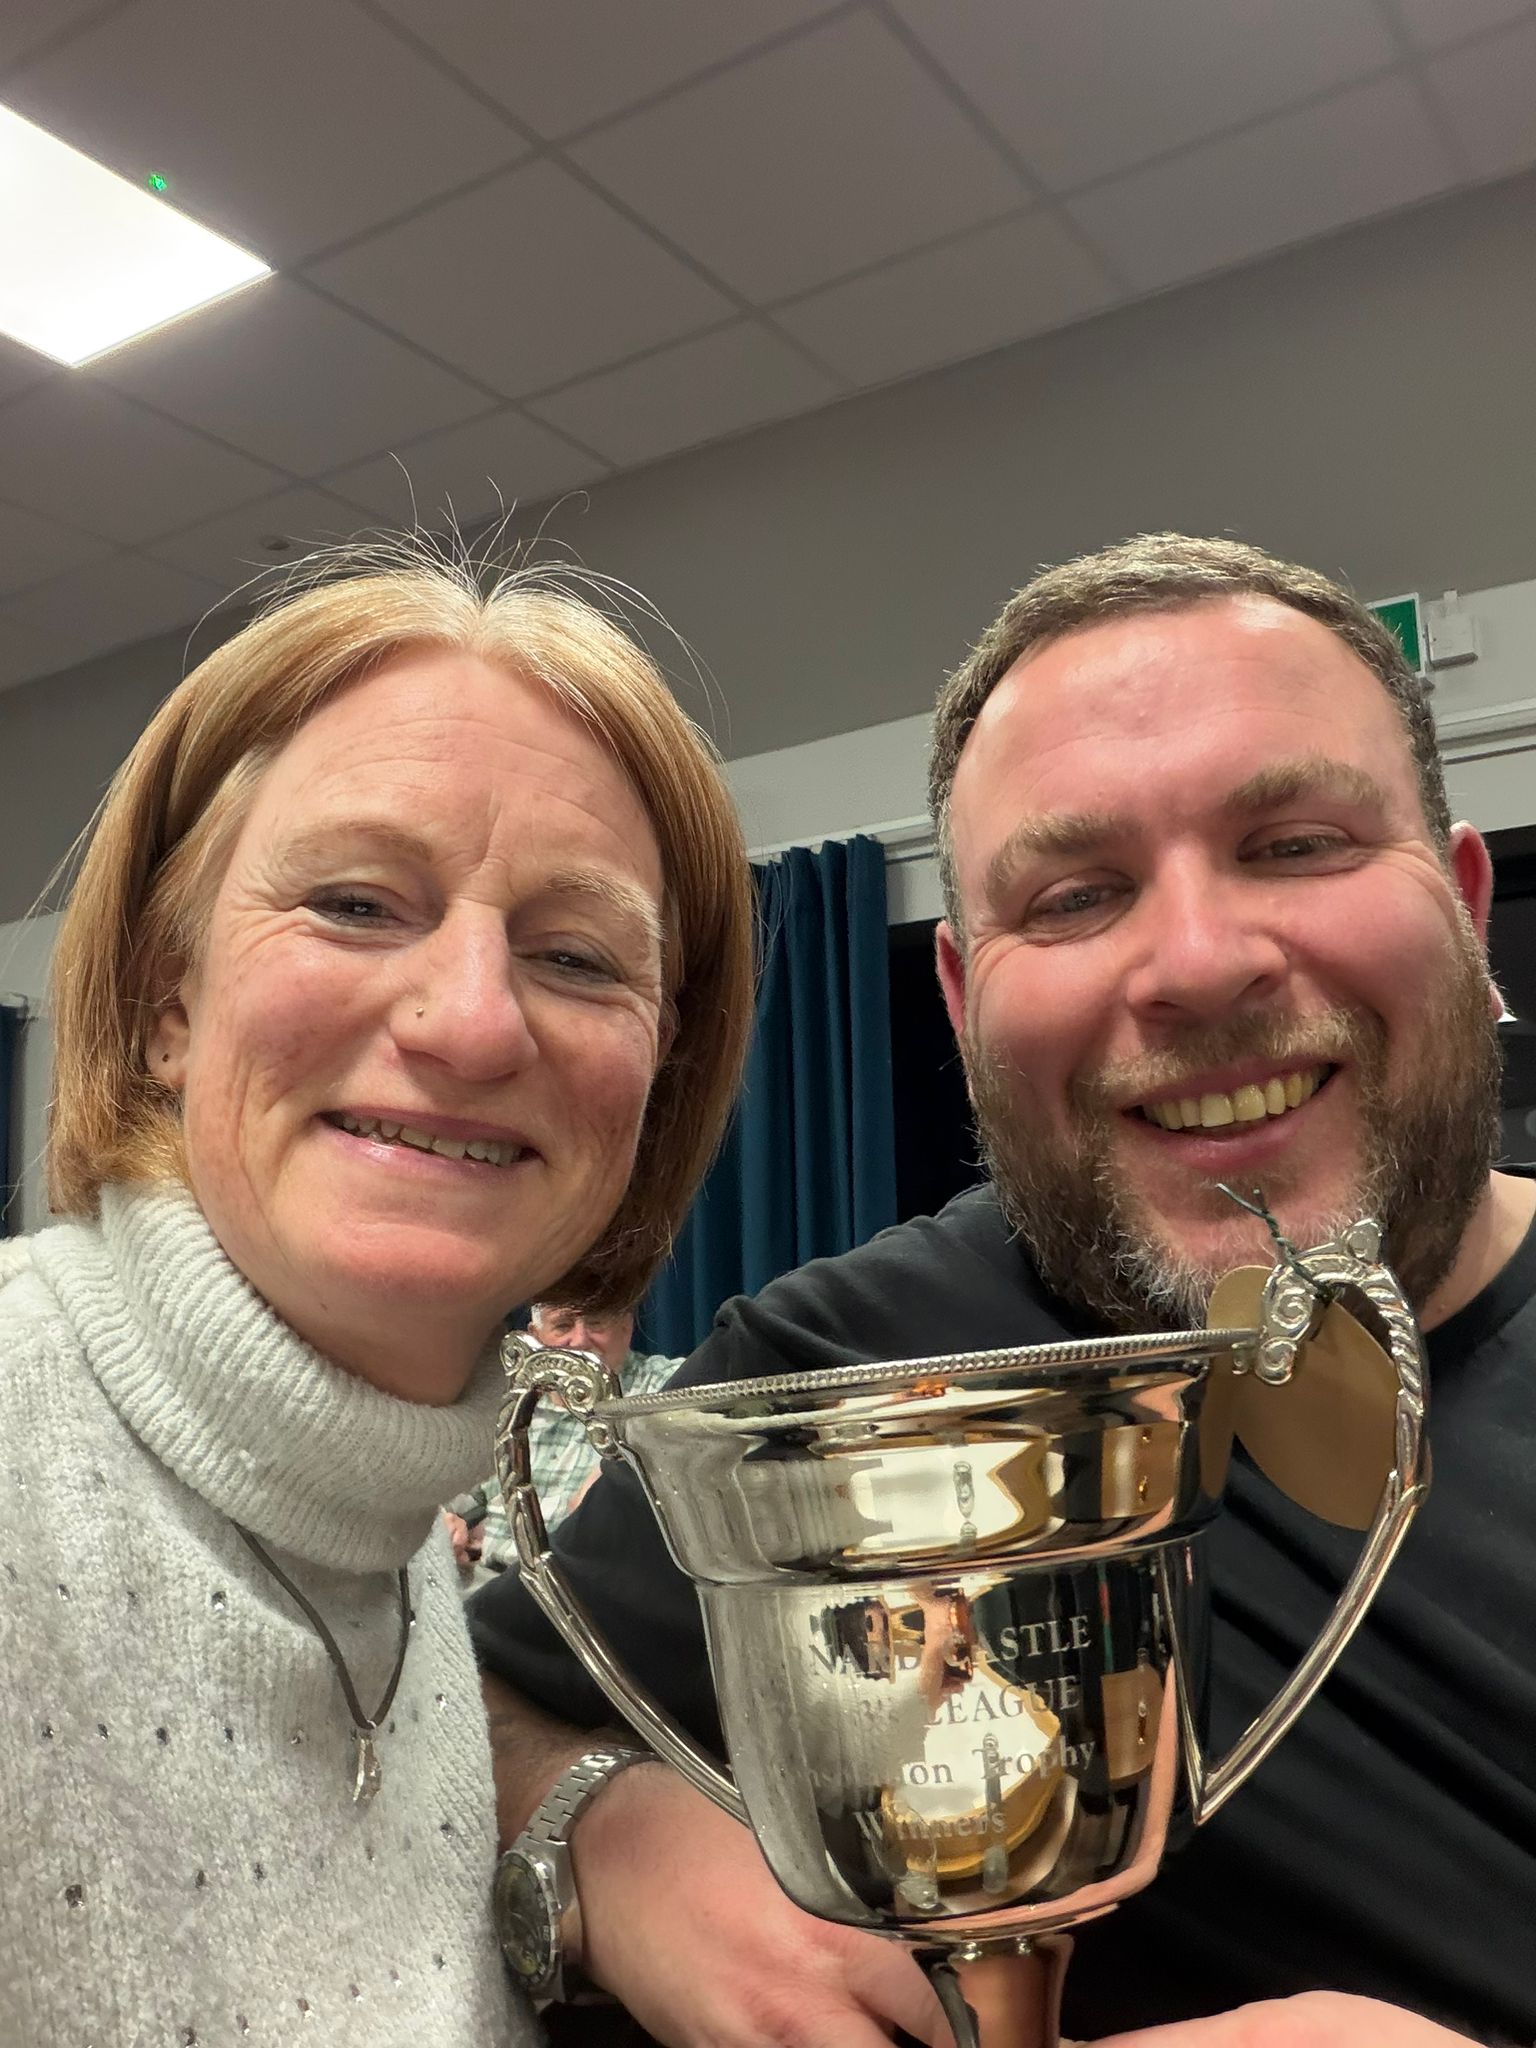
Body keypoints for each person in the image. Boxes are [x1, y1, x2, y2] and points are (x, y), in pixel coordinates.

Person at [468, 534, 1535, 2048]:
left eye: (1295, 843)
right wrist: (611, 1845)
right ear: (966, 1005)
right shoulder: (839, 1370)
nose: (1197, 962)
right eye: (1079, 894)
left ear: (1466, 902)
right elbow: (473, 1712)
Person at [0, 546, 754, 2045]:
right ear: (169, 1004)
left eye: (576, 955)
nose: (472, 1021)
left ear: (655, 1083)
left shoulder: (389, 1541)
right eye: (353, 903)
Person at [443, 1302, 680, 1573]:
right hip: (491, 1585)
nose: (579, 1340)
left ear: (626, 1325)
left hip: (591, 1586)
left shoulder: (659, 1385)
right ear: (536, 1337)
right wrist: (448, 1526)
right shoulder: (508, 1402)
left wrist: (617, 1472)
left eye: (596, 1323)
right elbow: (455, 1498)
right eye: (563, 1326)